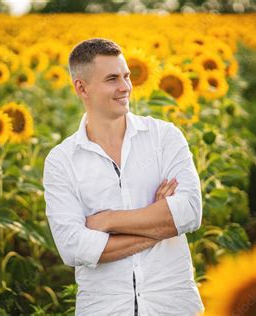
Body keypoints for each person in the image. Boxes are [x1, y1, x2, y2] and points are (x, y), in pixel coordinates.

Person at [42, 38, 204, 315]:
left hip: (173, 305)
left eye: (126, 76)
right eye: (112, 79)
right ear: (81, 87)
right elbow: (74, 247)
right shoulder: (61, 161)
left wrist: (108, 221)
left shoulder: (164, 137)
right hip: (105, 308)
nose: (125, 87)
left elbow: (189, 213)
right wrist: (159, 222)